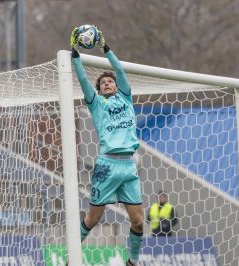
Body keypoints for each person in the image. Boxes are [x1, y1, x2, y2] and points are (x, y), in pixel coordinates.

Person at [70, 26, 143, 266]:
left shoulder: (125, 97)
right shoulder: (97, 105)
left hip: (129, 166)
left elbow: (120, 69)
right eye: (104, 84)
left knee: (138, 222)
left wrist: (105, 47)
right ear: (99, 90)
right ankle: (72, 257)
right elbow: (82, 80)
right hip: (107, 165)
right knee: (93, 218)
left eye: (111, 81)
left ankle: (132, 261)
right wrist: (74, 54)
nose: (108, 84)